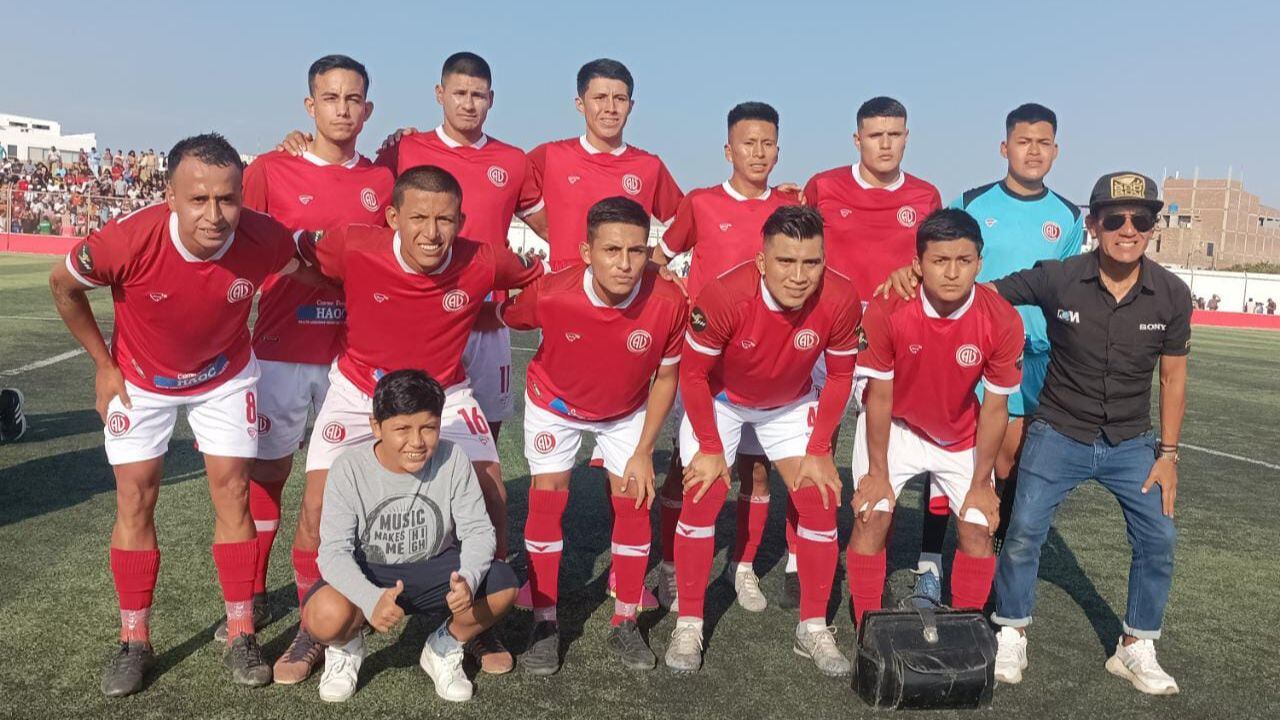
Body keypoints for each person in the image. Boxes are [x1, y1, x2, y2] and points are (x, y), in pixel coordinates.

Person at [879, 171, 1189, 695]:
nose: (1128, 230)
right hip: (1058, 432)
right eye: (1115, 219)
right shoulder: (1059, 276)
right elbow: (979, 289)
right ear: (1093, 224)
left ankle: (1135, 646)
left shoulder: (1172, 294)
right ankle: (1012, 629)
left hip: (1133, 442)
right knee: (1022, 532)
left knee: (1158, 537)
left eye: (1141, 219)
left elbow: (1173, 375)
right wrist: (913, 276)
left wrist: (1169, 454)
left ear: (1153, 227)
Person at [47, 133, 319, 696]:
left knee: (234, 491)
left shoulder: (264, 238)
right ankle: (134, 641)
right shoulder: (127, 240)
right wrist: (103, 364)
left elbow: (316, 270)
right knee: (135, 496)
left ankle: (242, 629)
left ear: (243, 197)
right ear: (169, 195)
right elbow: (63, 285)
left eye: (227, 199)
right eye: (198, 200)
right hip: (141, 380)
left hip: (224, 377)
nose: (215, 215)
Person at [297, 164, 542, 674]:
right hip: (361, 388)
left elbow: (539, 278)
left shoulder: (484, 259)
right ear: (392, 218)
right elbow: (297, 247)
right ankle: (315, 627)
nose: (432, 233)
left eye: (446, 220)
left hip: (444, 393)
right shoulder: (354, 245)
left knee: (492, 493)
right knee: (317, 507)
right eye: (419, 218)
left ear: (462, 220)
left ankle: (473, 624)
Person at [237, 54, 396, 684]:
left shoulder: (386, 181)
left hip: (351, 360)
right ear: (310, 106)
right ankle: (245, 604)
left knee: (329, 497)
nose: (342, 109)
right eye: (330, 98)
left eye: (353, 98)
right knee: (268, 476)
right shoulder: (271, 170)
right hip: (279, 351)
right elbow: (243, 252)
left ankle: (312, 618)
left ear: (368, 108)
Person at [280, 52, 527, 448]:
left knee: (481, 434)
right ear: (439, 94)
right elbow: (358, 186)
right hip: (420, 311)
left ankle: (468, 505)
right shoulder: (405, 149)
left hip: (481, 312)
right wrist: (303, 143)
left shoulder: (515, 161)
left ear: (491, 99)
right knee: (407, 423)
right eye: (459, 92)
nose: (468, 103)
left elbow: (556, 227)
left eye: (478, 95)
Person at [670, 205, 862, 675]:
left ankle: (812, 627)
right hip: (721, 399)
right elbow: (692, 375)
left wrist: (819, 451)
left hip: (790, 402)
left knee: (819, 497)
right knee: (703, 491)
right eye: (785, 262)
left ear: (824, 260)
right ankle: (690, 620)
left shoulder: (840, 297)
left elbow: (840, 377)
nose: (799, 276)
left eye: (811, 262)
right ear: (762, 261)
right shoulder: (723, 296)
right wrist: (712, 449)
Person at [501, 197, 686, 674]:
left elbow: (666, 379)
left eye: (637, 251)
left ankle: (625, 618)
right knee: (549, 498)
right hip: (554, 405)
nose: (625, 264)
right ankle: (544, 620)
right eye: (611, 251)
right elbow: (507, 313)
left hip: (625, 413)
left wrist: (646, 450)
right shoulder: (553, 293)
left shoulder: (668, 301)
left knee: (634, 500)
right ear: (586, 252)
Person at [911, 103, 1084, 604]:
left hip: (1037, 358)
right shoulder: (969, 201)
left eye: (1044, 142)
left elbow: (1068, 292)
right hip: (970, 353)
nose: (1034, 151)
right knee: (954, 456)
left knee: (1010, 463)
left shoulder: (1068, 217)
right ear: (1004, 147)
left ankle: (992, 563)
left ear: (1056, 150)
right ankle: (930, 564)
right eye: (1024, 141)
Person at [649, 101, 799, 613]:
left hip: (768, 363)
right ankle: (669, 566)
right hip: (706, 362)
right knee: (686, 469)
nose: (758, 153)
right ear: (728, 149)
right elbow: (660, 256)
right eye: (748, 143)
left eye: (767, 143)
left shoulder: (786, 209)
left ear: (778, 149)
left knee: (756, 473)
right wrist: (665, 277)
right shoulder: (701, 202)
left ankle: (743, 567)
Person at [846, 209, 1022, 628]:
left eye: (964, 261)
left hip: (959, 432)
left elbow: (996, 407)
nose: (952, 272)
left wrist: (982, 485)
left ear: (980, 263)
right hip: (895, 425)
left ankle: (966, 628)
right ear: (918, 264)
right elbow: (880, 399)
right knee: (873, 514)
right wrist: (877, 472)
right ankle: (867, 626)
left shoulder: (1001, 319)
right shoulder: (890, 307)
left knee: (978, 529)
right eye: (940, 261)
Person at [306, 369, 517, 703]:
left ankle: (444, 645)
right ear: (376, 426)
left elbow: (478, 530)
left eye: (428, 428)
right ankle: (346, 647)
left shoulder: (453, 458)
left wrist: (468, 578)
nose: (417, 441)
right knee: (323, 616)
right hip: (374, 571)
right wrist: (370, 597)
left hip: (438, 569)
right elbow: (333, 552)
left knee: (504, 584)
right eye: (402, 429)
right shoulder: (349, 467)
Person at [516, 58, 684, 270]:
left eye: (620, 99)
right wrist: (551, 231)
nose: (610, 108)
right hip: (566, 290)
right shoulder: (550, 156)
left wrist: (656, 258)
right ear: (580, 104)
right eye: (600, 97)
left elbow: (686, 221)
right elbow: (504, 190)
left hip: (628, 294)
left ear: (631, 106)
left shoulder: (649, 166)